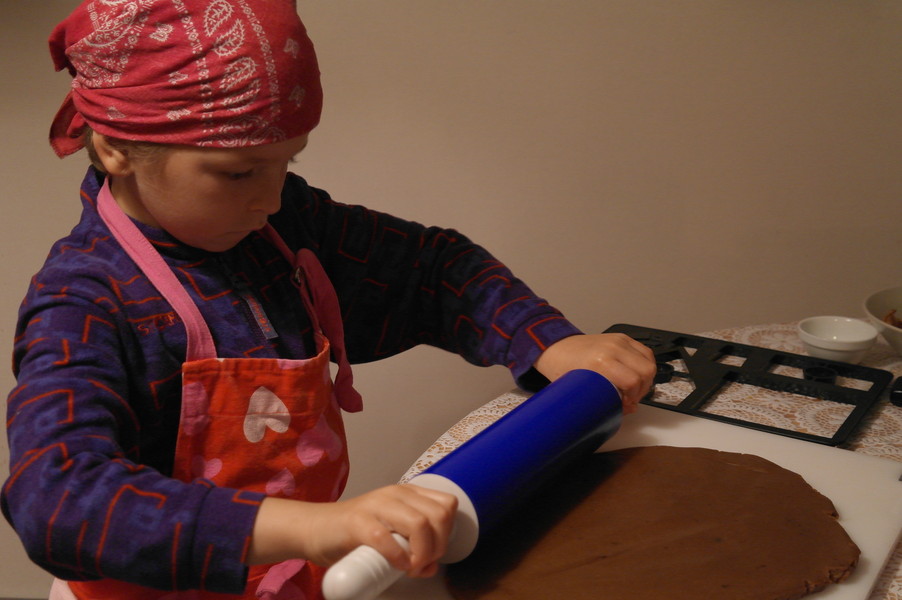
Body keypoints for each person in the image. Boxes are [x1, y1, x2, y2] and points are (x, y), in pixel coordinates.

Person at [1, 2, 656, 599]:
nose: (270, 199)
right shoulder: (82, 301)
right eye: (238, 172)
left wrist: (547, 340)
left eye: (286, 163)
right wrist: (316, 528)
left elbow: (433, 269)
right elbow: (57, 499)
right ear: (115, 148)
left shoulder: (283, 228)